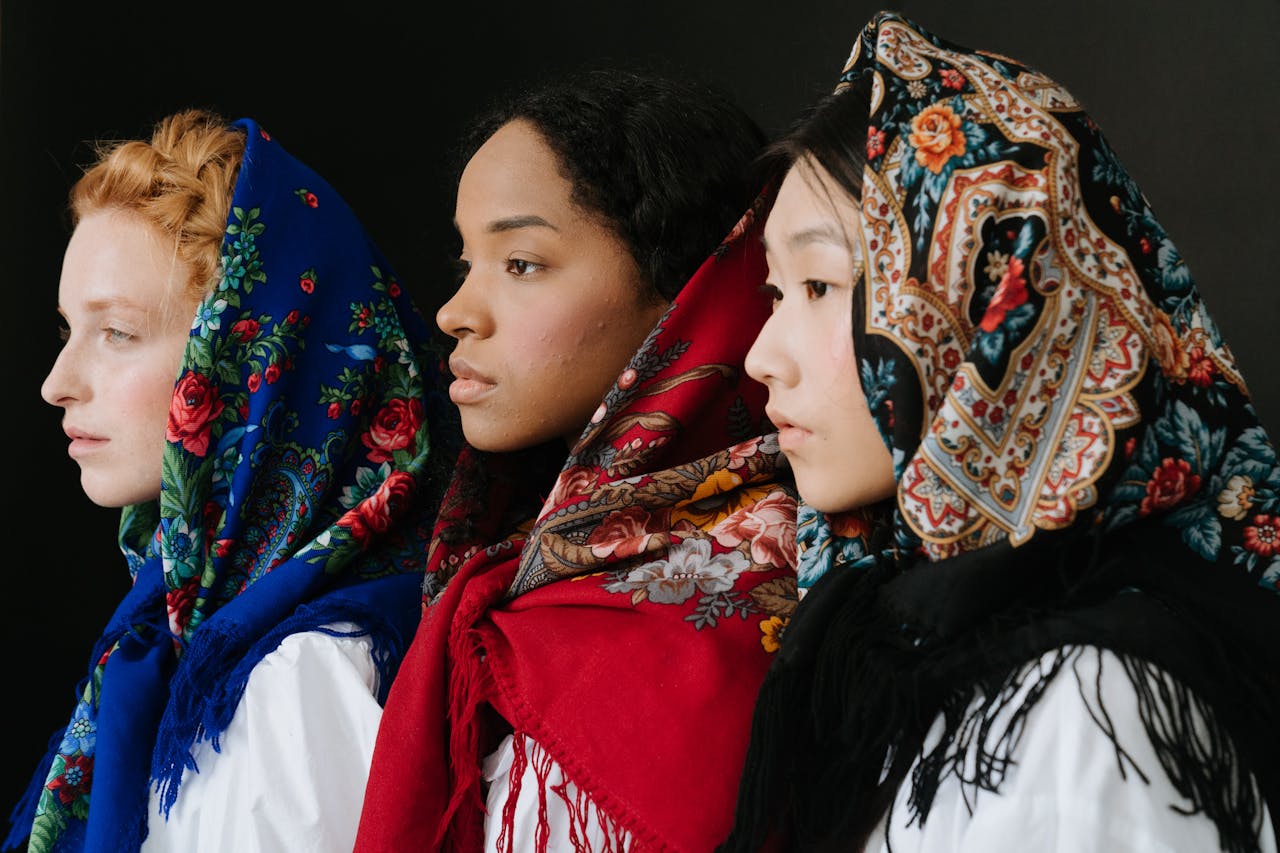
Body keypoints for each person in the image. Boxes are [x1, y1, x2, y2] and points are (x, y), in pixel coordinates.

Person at [719, 11, 1280, 853]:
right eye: (774, 290)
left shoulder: (1095, 703)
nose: (763, 355)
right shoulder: (887, 644)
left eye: (821, 286)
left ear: (988, 305)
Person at [354, 68, 800, 852]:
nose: (456, 311)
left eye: (521, 263)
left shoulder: (772, 587)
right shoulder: (524, 571)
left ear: (685, 294)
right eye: (467, 263)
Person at [5, 108, 459, 853]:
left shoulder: (304, 680)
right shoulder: (188, 635)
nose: (57, 382)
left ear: (251, 374)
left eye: (116, 332)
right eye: (67, 330)